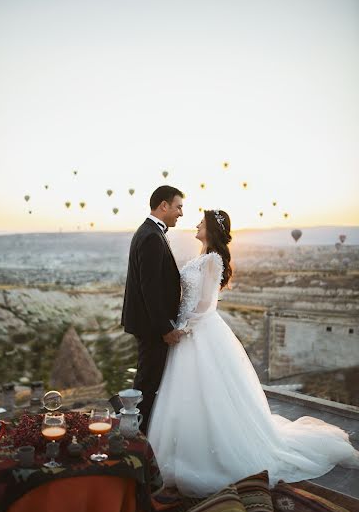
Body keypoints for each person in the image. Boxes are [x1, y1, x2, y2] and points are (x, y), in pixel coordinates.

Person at [148, 209, 359, 496]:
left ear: (211, 228)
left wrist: (185, 326)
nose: (196, 224)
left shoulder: (212, 259)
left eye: (201, 221)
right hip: (189, 330)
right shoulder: (201, 257)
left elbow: (207, 302)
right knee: (188, 392)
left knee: (207, 392)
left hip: (198, 330)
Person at [121, 185, 184, 433]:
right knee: (147, 383)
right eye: (178, 206)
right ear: (163, 205)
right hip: (151, 327)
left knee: (148, 379)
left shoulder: (150, 232)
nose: (181, 213)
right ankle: (138, 434)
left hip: (149, 324)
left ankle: (139, 429)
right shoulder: (150, 236)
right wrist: (164, 328)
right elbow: (150, 289)